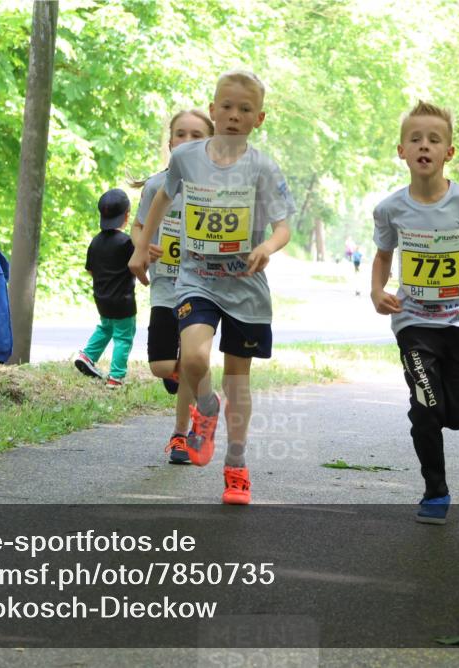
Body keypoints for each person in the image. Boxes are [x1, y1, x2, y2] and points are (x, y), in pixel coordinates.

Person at [128, 70, 296, 505]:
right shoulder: (188, 160)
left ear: (259, 118)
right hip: (197, 278)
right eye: (226, 106)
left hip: (245, 287)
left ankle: (236, 468)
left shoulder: (262, 167)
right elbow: (162, 200)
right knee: (196, 356)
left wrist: (266, 247)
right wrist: (141, 249)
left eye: (244, 110)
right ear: (213, 108)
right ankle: (205, 404)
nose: (233, 115)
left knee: (238, 382)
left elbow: (283, 227)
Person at [371, 100, 459, 525]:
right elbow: (382, 255)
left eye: (434, 139)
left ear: (449, 152)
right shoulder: (390, 209)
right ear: (402, 151)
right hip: (414, 323)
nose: (424, 146)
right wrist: (377, 291)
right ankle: (435, 491)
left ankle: (445, 405)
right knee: (426, 406)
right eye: (415, 139)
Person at [131, 109, 215, 464]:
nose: (187, 141)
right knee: (163, 365)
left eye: (197, 136)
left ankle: (183, 435)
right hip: (165, 285)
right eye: (181, 134)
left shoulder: (218, 188)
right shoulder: (156, 186)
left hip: (201, 288)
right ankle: (201, 391)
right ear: (170, 143)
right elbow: (138, 228)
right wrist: (141, 246)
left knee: (190, 360)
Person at [75, 189, 136, 388]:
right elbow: (136, 264)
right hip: (123, 301)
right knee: (123, 337)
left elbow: (91, 270)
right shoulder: (127, 242)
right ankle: (115, 377)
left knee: (106, 327)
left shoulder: (95, 241)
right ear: (127, 215)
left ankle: (87, 355)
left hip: (102, 298)